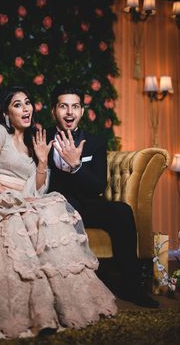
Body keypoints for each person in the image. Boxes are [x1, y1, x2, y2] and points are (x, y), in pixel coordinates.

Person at [0, 86, 117, 340]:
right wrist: (8, 195)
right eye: (17, 104)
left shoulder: (33, 142)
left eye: (27, 103)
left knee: (49, 212)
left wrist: (43, 161)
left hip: (23, 200)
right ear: (6, 112)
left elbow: (37, 188)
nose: (25, 108)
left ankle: (48, 309)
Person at [47, 82, 159, 308]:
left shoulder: (95, 142)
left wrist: (76, 166)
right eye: (63, 106)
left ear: (81, 111)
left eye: (75, 107)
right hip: (53, 206)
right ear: (54, 111)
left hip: (85, 205)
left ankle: (131, 285)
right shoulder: (40, 138)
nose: (70, 112)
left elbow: (98, 185)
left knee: (121, 211)